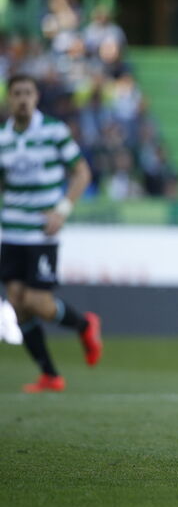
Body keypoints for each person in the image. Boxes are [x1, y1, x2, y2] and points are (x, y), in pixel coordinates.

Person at [0, 74, 103, 392]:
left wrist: (62, 210)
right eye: (17, 93)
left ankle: (85, 324)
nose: (22, 99)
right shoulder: (2, 138)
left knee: (37, 302)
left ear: (36, 97)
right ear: (9, 98)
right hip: (11, 232)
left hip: (42, 232)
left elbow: (82, 172)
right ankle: (50, 375)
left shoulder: (54, 132)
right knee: (17, 305)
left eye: (27, 93)